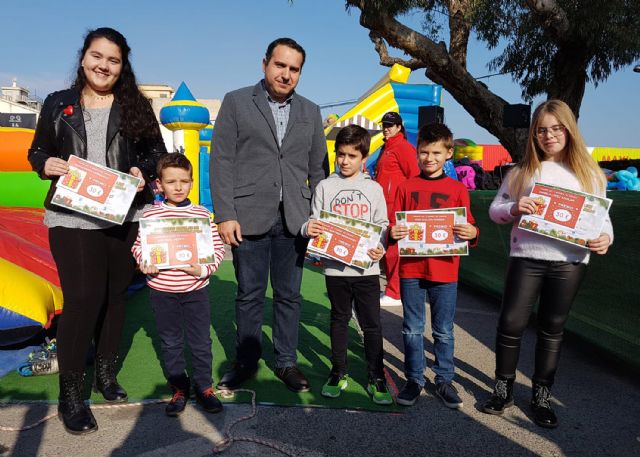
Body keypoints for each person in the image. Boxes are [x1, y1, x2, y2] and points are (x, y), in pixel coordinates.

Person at [27, 27, 166, 434]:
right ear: (84, 57)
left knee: (115, 296)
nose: (103, 65)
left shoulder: (136, 105)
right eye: (97, 56)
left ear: (123, 66)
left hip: (124, 215)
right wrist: (44, 164)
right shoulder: (58, 102)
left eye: (113, 60)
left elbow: (156, 153)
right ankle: (70, 395)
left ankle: (105, 373)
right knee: (82, 298)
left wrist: (143, 169)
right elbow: (38, 150)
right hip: (70, 216)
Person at [481, 100, 613, 428]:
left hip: (569, 261)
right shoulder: (523, 171)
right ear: (534, 135)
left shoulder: (590, 174)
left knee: (552, 329)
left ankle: (542, 395)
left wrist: (605, 238)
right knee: (511, 324)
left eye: (556, 129)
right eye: (541, 130)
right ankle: (503, 388)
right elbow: (496, 210)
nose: (549, 136)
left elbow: (602, 220)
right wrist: (514, 208)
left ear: (569, 130)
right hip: (527, 257)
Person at [210, 37, 328, 392]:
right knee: (249, 294)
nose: (286, 74)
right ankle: (246, 362)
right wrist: (225, 214)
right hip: (247, 216)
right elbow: (222, 160)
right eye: (280, 65)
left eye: (294, 69)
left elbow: (319, 170)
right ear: (265, 64)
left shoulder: (311, 111)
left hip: (296, 219)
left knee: (289, 295)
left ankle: (286, 362)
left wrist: (321, 217)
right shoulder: (236, 101)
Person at [301, 125, 392, 405]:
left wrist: (380, 246)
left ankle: (376, 375)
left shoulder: (373, 188)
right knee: (339, 320)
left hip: (366, 269)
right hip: (335, 269)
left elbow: (382, 224)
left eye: (352, 155)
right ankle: (338, 371)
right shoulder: (325, 186)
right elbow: (315, 220)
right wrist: (309, 229)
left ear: (363, 157)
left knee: (371, 324)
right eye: (341, 154)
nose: (345, 161)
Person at [389, 123, 478, 408]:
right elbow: (393, 224)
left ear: (449, 153)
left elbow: (469, 225)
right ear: (417, 153)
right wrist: (393, 232)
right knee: (412, 328)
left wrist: (472, 232)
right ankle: (414, 379)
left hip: (445, 269)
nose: (430, 158)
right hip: (412, 270)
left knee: (443, 330)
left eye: (437, 152)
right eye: (424, 152)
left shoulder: (457, 188)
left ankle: (444, 380)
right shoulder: (405, 186)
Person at [131, 153, 225, 416]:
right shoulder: (151, 215)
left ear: (192, 183)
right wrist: (145, 261)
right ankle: (179, 389)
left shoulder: (202, 214)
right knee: (171, 342)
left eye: (184, 181)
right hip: (162, 290)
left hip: (196, 289)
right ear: (159, 184)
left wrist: (203, 269)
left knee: (200, 342)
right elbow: (138, 246)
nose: (178, 187)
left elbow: (217, 250)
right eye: (171, 181)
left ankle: (204, 388)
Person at [374, 111, 420, 307]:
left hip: (396, 206)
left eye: (390, 125)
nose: (386, 128)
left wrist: (408, 206)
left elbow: (414, 176)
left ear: (399, 127)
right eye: (384, 124)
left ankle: (395, 293)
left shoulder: (403, 147)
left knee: (394, 250)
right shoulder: (387, 147)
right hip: (384, 205)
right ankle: (392, 290)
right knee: (387, 250)